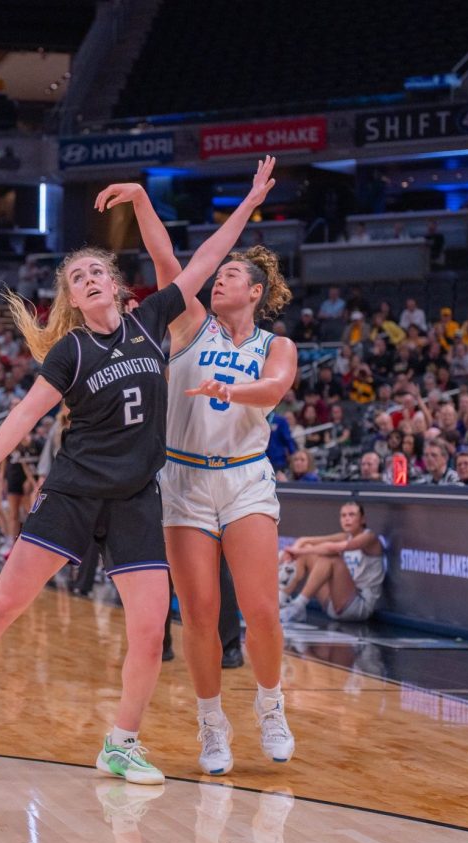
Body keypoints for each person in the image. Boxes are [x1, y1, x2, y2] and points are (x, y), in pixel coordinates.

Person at [0, 159, 276, 787]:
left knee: (148, 627)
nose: (89, 279)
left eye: (96, 270)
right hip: (74, 494)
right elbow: (23, 415)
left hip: (135, 499)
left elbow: (206, 260)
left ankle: (121, 743)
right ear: (73, 300)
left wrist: (248, 202)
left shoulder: (152, 322)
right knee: (2, 607)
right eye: (77, 277)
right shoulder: (71, 351)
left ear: (116, 285)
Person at [99, 157, 296, 777]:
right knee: (202, 614)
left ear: (256, 293)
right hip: (182, 479)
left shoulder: (276, 346)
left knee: (261, 610)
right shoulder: (188, 324)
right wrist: (139, 201)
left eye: (232, 276)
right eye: (219, 274)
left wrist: (228, 391)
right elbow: (166, 262)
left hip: (244, 476)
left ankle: (271, 706)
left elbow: (274, 390)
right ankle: (212, 725)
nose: (220, 281)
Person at [278, 501, 385, 623]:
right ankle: (279, 601)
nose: (347, 519)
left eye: (351, 515)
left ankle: (298, 606)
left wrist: (298, 551)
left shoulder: (369, 537)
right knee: (307, 552)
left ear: (363, 519)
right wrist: (297, 549)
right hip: (335, 601)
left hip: (359, 605)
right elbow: (305, 540)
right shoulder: (345, 536)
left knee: (331, 558)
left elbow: (333, 548)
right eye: (343, 516)